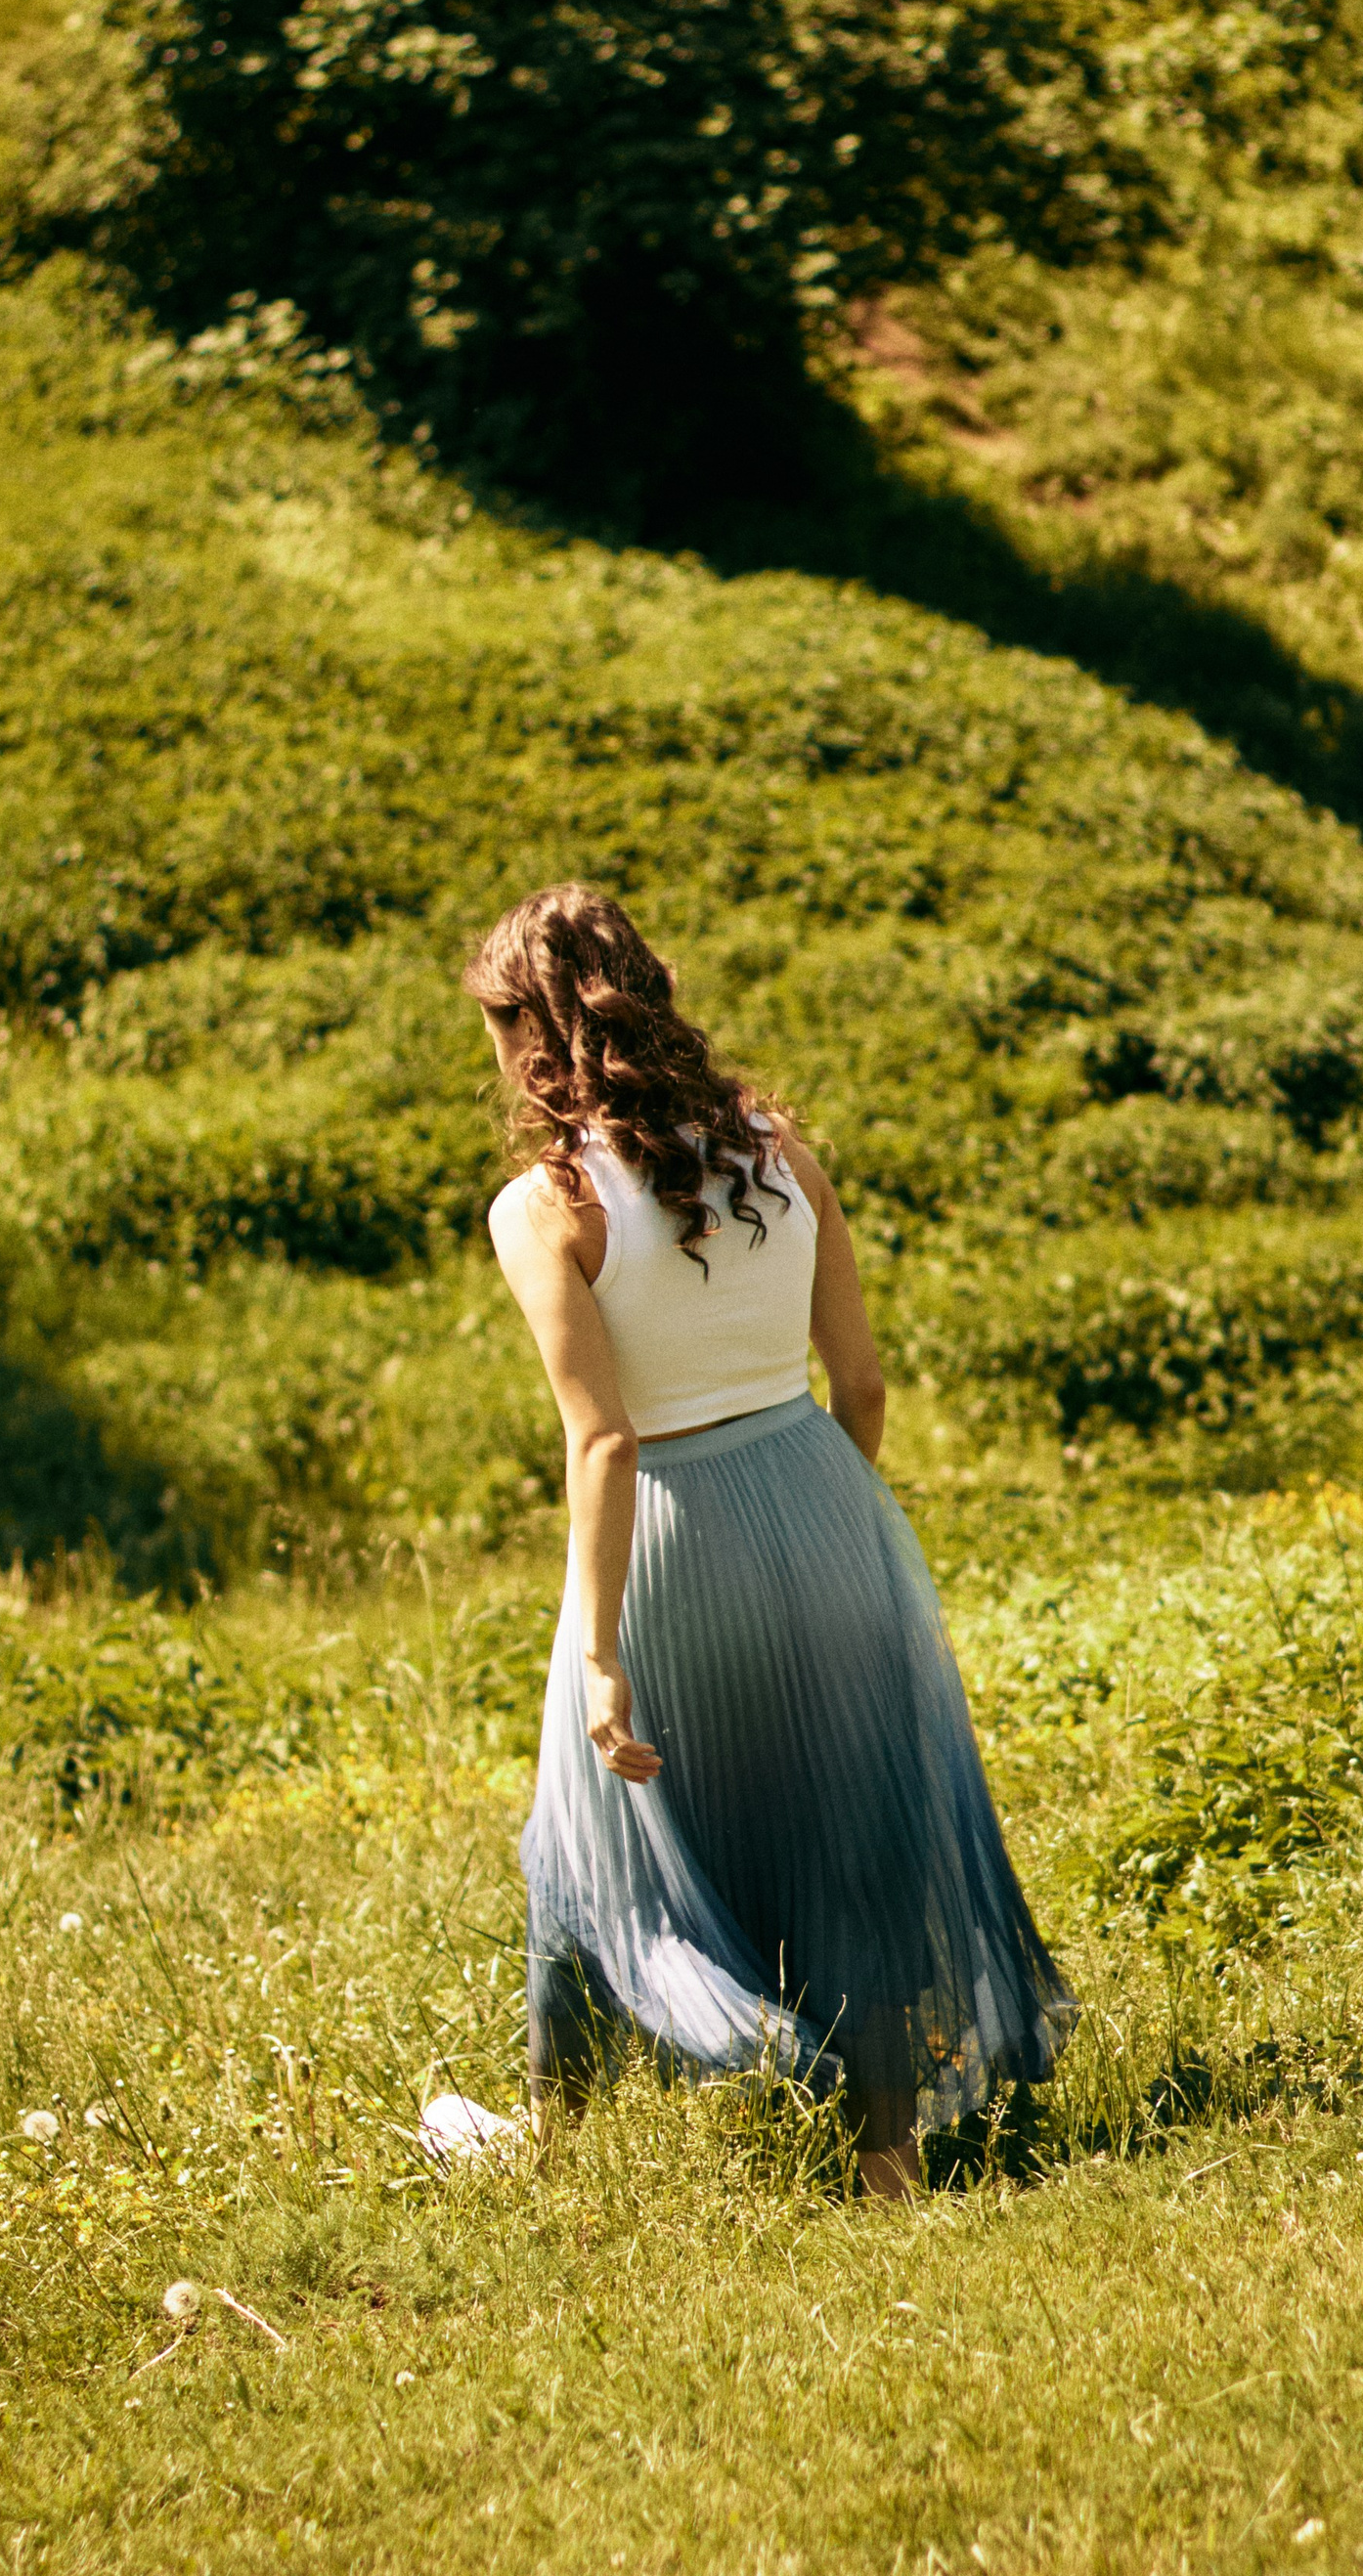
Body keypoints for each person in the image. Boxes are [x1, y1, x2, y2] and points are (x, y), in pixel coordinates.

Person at [464, 884, 1073, 2199]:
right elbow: (863, 1383)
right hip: (822, 1502)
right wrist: (824, 1525)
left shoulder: (546, 1206)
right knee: (847, 1839)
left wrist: (605, 1652)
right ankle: (888, 2159)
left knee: (586, 1850)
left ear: (535, 1032)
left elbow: (604, 1440)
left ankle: (555, 2140)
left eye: (501, 1029)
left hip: (670, 1539)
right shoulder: (776, 1152)